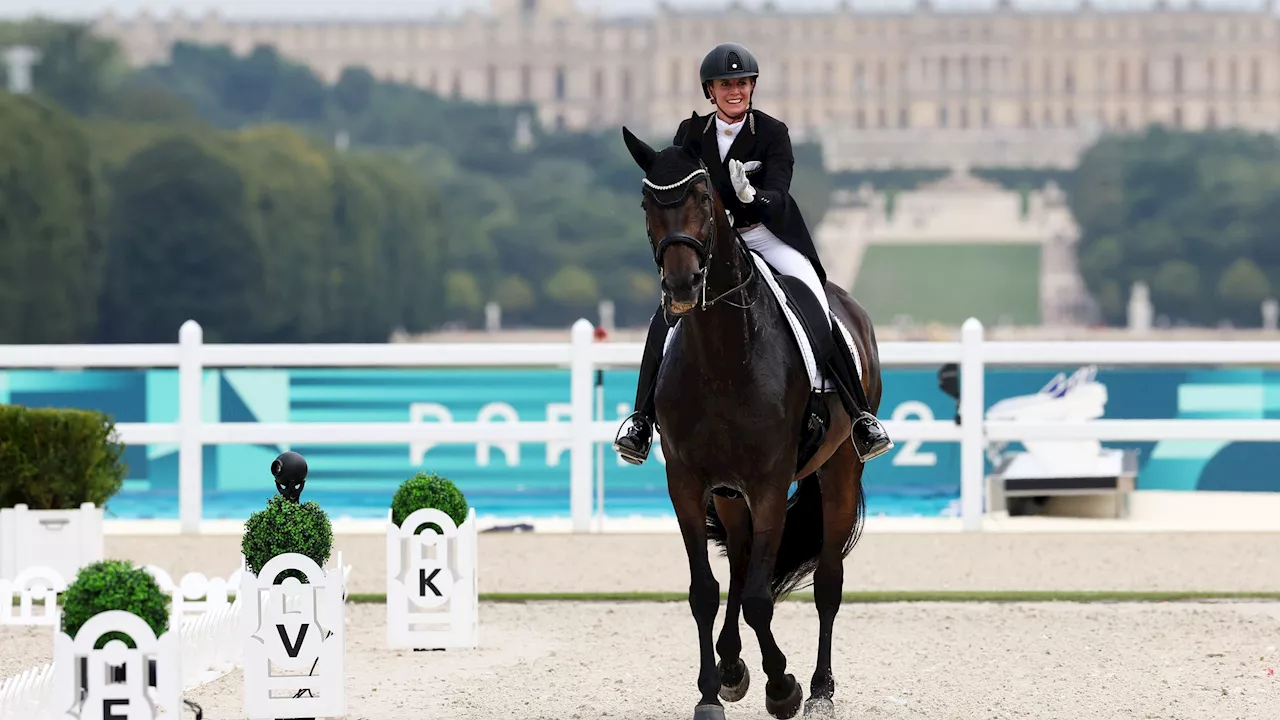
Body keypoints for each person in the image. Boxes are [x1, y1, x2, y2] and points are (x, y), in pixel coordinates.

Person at [612, 41, 894, 467]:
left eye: (742, 83)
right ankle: (641, 420)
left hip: (766, 234)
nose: (735, 91)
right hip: (711, 244)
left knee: (816, 303)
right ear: (711, 91)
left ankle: (859, 416)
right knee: (667, 316)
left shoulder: (773, 133)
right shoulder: (691, 136)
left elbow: (779, 197)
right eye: (726, 85)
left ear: (751, 87)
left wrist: (751, 194)